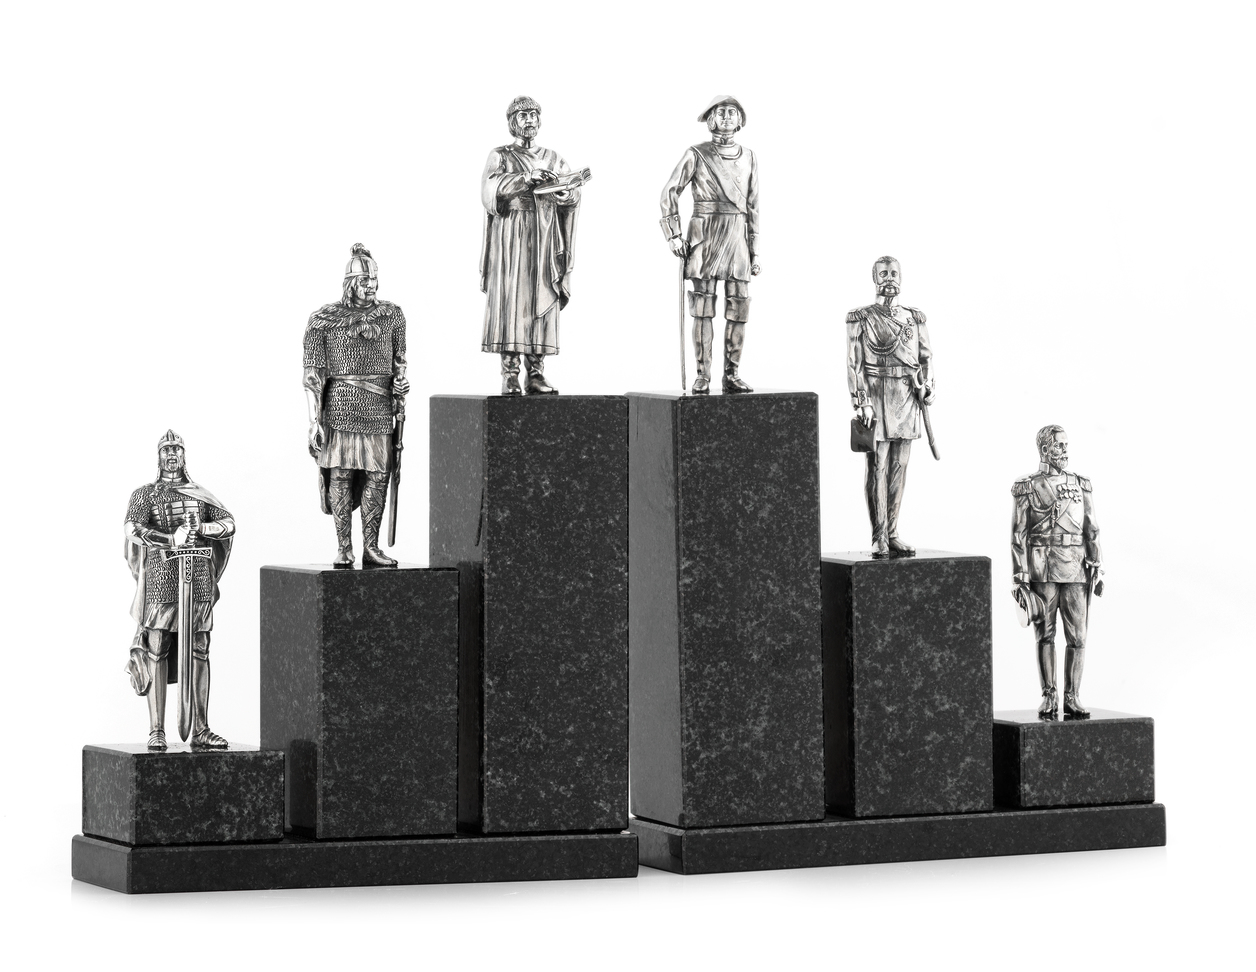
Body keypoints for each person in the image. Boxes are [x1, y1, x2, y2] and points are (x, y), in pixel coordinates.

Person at [124, 430, 235, 750]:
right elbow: (132, 529)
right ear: (158, 456)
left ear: (184, 456)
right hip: (161, 580)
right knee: (156, 645)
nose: (172, 454)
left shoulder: (201, 496)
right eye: (166, 449)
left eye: (177, 449)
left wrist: (202, 527)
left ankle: (201, 729)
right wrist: (170, 538)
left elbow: (229, 524)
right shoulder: (145, 495)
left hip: (197, 579)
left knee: (200, 646)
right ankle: (156, 729)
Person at [304, 244, 409, 567]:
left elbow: (399, 361)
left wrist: (400, 385)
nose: (371, 286)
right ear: (351, 283)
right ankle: (344, 547)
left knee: (378, 475)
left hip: (378, 408)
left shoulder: (392, 316)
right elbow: (312, 375)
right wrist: (314, 420)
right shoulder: (323, 321)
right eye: (365, 280)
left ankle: (371, 547)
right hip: (340, 408)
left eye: (374, 279)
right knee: (341, 475)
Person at [480, 95, 583, 395]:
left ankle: (536, 373)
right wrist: (526, 178)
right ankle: (510, 373)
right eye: (523, 115)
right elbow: (489, 190)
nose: (529, 120)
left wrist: (567, 194)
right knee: (512, 300)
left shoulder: (553, 158)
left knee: (542, 297)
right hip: (512, 235)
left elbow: (571, 194)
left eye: (533, 115)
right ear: (512, 121)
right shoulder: (501, 155)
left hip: (545, 234)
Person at [660, 95, 760, 394]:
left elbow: (753, 206)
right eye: (721, 112)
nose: (727, 116)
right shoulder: (696, 154)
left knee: (739, 307)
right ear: (710, 120)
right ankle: (702, 374)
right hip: (704, 234)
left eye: (732, 112)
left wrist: (754, 252)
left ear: (740, 120)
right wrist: (674, 234)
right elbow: (670, 191)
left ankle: (732, 374)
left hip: (736, 235)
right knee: (702, 307)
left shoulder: (749, 156)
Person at [1011, 425, 1103, 719]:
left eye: (1066, 445)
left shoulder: (1081, 484)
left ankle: (1072, 697)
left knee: (1078, 636)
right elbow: (1018, 535)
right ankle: (1049, 695)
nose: (1065, 451)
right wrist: (1020, 578)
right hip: (1044, 567)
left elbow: (1092, 528)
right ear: (1044, 450)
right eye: (1059, 445)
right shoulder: (1028, 486)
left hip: (1076, 567)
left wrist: (1097, 565)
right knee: (1045, 635)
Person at [846, 256, 935, 556]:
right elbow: (854, 363)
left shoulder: (915, 318)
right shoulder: (861, 317)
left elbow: (926, 358)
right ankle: (879, 535)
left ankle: (893, 532)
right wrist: (861, 401)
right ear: (874, 278)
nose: (890, 279)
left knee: (900, 465)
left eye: (894, 273)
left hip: (907, 396)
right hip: (877, 395)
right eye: (883, 274)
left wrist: (928, 387)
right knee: (878, 464)